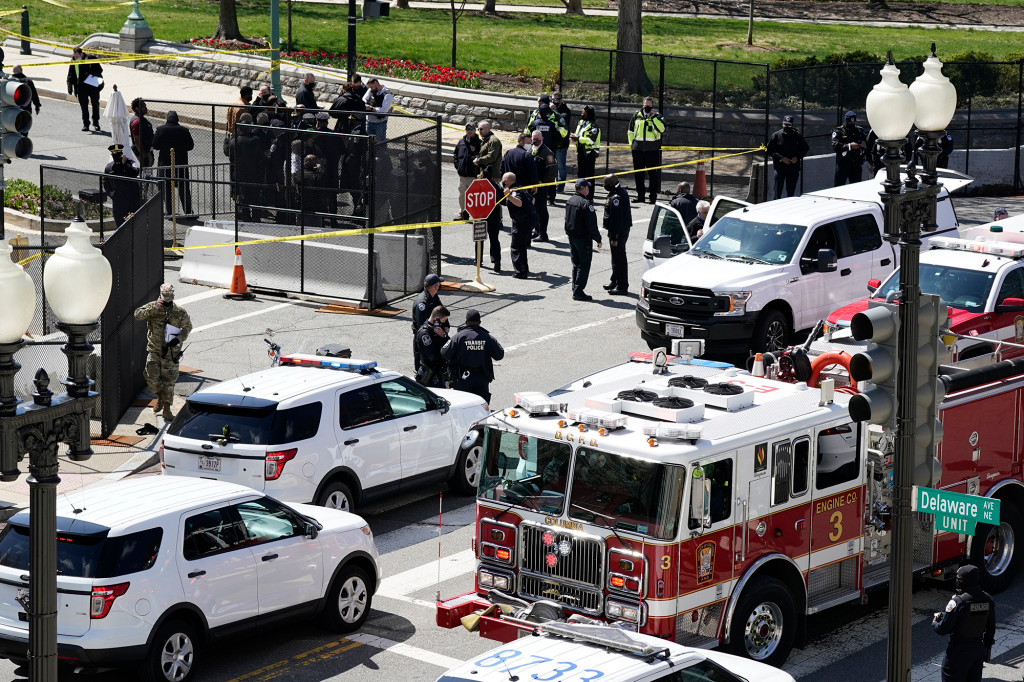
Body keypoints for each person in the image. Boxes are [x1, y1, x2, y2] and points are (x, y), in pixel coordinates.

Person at [134, 284, 192, 421]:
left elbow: (187, 327)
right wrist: (153, 308)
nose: (167, 301)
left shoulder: (179, 311)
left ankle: (167, 409)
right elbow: (137, 315)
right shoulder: (153, 307)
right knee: (151, 376)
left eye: (169, 298)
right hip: (154, 349)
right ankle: (160, 395)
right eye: (164, 298)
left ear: (173, 296)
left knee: (169, 381)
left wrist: (178, 338)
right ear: (160, 295)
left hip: (171, 352)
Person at [932, 564, 995, 682]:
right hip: (977, 651)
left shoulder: (958, 602)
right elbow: (991, 628)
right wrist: (986, 648)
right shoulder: (988, 599)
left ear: (963, 581)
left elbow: (942, 629)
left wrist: (935, 622)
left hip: (958, 652)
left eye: (959, 579)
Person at [441, 308, 504, 405]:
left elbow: (445, 353)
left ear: (466, 322)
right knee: (481, 408)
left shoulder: (458, 337)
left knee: (462, 406)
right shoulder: (487, 337)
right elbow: (499, 355)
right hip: (481, 379)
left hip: (462, 379)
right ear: (479, 322)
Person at [525, 94, 567, 206]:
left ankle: (533, 195)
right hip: (549, 151)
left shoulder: (534, 123)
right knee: (550, 173)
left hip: (536, 151)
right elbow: (559, 137)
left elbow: (527, 133)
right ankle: (550, 199)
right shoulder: (552, 124)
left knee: (536, 173)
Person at [564, 178, 602, 301]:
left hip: (572, 236)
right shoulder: (586, 204)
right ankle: (578, 291)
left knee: (575, 263)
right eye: (588, 187)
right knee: (584, 264)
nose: (588, 189)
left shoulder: (570, 200)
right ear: (584, 188)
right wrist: (598, 239)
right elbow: (592, 224)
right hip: (583, 238)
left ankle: (575, 287)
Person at [152, 111, 195, 215]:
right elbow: (190, 146)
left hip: (165, 164)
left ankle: (170, 212)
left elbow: (155, 145)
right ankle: (188, 212)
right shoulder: (184, 131)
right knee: (183, 189)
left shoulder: (160, 130)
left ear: (167, 119)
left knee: (167, 190)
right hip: (181, 164)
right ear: (177, 119)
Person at [474, 121, 503, 271]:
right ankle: (478, 259)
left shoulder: (493, 141)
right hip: (483, 210)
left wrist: (479, 160)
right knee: (481, 234)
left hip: (493, 180)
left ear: (488, 128)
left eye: (481, 129)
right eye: (478, 129)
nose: (479, 131)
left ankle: (494, 260)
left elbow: (492, 157)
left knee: (490, 235)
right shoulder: (485, 140)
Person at [628, 96, 665, 204]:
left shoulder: (658, 116)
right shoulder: (636, 116)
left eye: (649, 105)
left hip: (652, 150)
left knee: (653, 174)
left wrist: (653, 118)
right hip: (638, 149)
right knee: (638, 174)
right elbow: (630, 131)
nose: (647, 107)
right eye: (645, 105)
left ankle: (652, 197)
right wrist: (632, 144)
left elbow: (661, 129)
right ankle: (640, 196)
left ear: (652, 105)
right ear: (642, 105)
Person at [502, 171, 538, 279]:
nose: (503, 183)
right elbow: (533, 200)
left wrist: (508, 195)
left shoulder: (513, 191)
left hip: (522, 222)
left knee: (516, 247)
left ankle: (520, 272)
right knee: (522, 246)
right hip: (530, 219)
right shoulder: (520, 187)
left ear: (507, 181)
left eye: (504, 181)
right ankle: (524, 269)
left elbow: (519, 203)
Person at [767, 115, 809, 199]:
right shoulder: (776, 135)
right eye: (785, 124)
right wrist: (781, 158)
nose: (786, 126)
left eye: (789, 125)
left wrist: (797, 157)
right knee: (777, 193)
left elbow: (805, 148)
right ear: (782, 124)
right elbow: (770, 150)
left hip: (793, 169)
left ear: (792, 125)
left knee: (790, 194)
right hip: (780, 169)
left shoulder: (797, 135)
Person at [602, 174, 632, 295]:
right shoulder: (618, 191)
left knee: (619, 258)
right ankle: (615, 280)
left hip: (618, 232)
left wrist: (615, 237)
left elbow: (617, 220)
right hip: (618, 230)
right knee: (615, 257)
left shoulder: (617, 197)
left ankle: (622, 285)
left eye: (605, 184)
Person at [103, 144, 141, 226]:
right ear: (112, 155)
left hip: (132, 199)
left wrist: (124, 165)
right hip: (118, 200)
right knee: (119, 223)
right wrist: (112, 194)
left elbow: (135, 172)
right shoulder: (109, 167)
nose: (117, 158)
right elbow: (106, 183)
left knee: (134, 223)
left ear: (122, 154)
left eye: (118, 155)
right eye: (114, 156)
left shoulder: (130, 163)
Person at [67, 47, 103, 132]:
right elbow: (71, 74)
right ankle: (86, 124)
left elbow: (100, 70)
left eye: (77, 56)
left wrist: (90, 74)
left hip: (92, 85)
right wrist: (70, 86)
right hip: (81, 87)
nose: (75, 58)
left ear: (81, 54)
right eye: (74, 56)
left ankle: (96, 122)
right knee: (84, 106)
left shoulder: (91, 58)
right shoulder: (73, 61)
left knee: (95, 104)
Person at [529, 130, 557, 241]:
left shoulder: (547, 153)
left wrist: (542, 182)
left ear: (542, 139)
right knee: (533, 209)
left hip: (541, 186)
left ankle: (543, 233)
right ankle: (536, 230)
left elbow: (552, 171)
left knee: (541, 209)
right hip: (531, 186)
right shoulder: (530, 149)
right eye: (533, 139)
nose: (535, 141)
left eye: (537, 139)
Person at [415, 305, 450, 388]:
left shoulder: (438, 329)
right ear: (437, 318)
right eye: (444, 320)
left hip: (437, 372)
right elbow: (433, 356)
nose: (444, 322)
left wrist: (443, 336)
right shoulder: (425, 333)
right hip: (429, 375)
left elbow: (449, 344)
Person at [832, 110, 867, 186]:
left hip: (856, 164)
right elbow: (835, 145)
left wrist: (863, 144)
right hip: (843, 163)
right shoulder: (839, 131)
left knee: (856, 186)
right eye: (850, 122)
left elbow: (866, 143)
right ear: (846, 121)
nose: (852, 123)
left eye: (853, 121)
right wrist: (849, 146)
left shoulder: (859, 130)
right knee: (839, 186)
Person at [454, 122, 481, 220]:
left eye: (471, 129)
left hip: (473, 175)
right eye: (467, 129)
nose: (469, 131)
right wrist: (458, 166)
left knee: (474, 197)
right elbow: (455, 155)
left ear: (475, 130)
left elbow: (481, 157)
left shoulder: (479, 143)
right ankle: (462, 214)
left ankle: (476, 215)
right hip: (462, 175)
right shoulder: (461, 142)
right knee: (462, 196)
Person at [570, 105, 601, 183]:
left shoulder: (594, 126)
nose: (582, 113)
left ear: (588, 113)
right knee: (580, 174)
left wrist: (578, 138)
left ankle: (589, 194)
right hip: (580, 151)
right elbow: (579, 134)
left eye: (583, 112)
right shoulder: (581, 123)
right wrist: (573, 136)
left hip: (589, 153)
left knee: (589, 175)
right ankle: (581, 193)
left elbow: (591, 140)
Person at [551, 92, 572, 195]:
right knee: (551, 165)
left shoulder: (565, 111)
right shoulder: (551, 110)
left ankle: (560, 186)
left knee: (561, 166)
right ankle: (551, 185)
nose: (553, 102)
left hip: (561, 144)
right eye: (552, 99)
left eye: (555, 100)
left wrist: (554, 110)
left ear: (560, 100)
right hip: (552, 143)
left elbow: (562, 120)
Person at [129, 98, 155, 170]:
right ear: (137, 108)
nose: (145, 108)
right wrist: (143, 155)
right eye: (143, 106)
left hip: (147, 151)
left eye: (145, 106)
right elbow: (137, 140)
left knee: (147, 173)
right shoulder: (137, 122)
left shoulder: (141, 119)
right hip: (141, 154)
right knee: (143, 173)